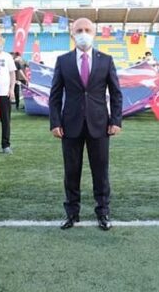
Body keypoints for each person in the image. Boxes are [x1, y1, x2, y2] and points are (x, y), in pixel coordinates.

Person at [50, 18, 123, 231]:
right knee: (71, 171)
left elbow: (116, 94)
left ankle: (103, 212)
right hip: (69, 125)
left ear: (94, 33)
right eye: (79, 30)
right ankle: (72, 213)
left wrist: (116, 120)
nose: (83, 33)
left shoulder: (106, 60)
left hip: (100, 125)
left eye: (87, 30)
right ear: (72, 33)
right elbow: (55, 95)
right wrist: (55, 122)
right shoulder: (63, 61)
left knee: (101, 171)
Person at [0, 35, 18, 154]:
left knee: (5, 120)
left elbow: (12, 74)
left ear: (2, 43)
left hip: (4, 93)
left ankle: (6, 145)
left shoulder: (7, 57)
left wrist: (11, 89)